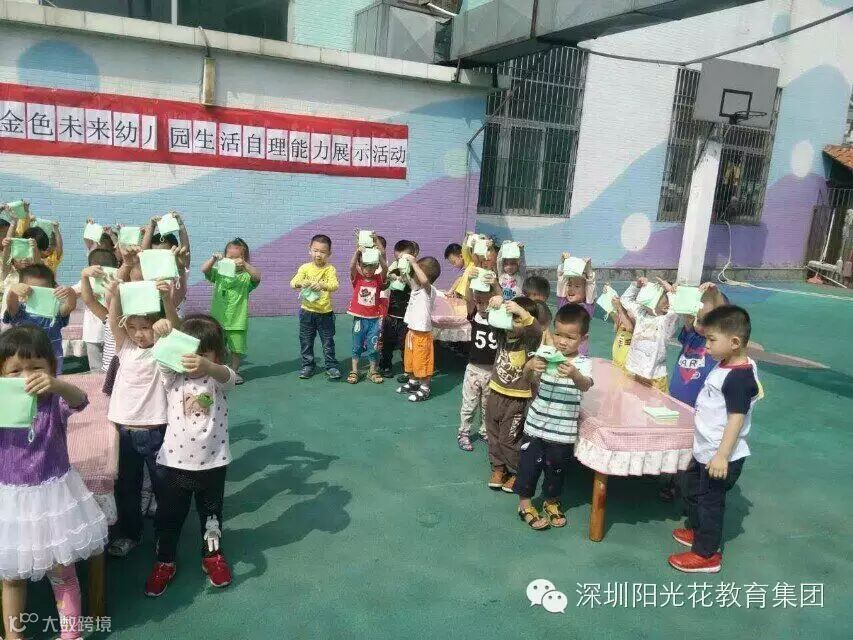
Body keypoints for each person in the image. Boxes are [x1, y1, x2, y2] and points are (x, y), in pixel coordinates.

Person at [0, 326, 108, 640]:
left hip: (54, 498)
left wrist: (57, 385)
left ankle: (70, 634)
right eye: (15, 370)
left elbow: (81, 400)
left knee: (62, 572)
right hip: (11, 502)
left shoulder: (54, 401)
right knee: (12, 577)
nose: (26, 377)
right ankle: (14, 636)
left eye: (36, 368)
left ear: (51, 367)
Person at [144, 315, 237, 596]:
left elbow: (229, 377)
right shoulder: (173, 378)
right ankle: (165, 560)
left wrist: (209, 366)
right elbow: (161, 359)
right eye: (188, 353)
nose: (194, 361)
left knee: (212, 516)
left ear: (216, 355)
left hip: (213, 463)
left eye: (203, 355)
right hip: (175, 464)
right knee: (169, 517)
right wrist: (162, 335)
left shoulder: (217, 380)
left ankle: (212, 556)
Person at [669, 305, 761, 573]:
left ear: (734, 342)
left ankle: (706, 554)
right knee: (692, 489)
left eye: (711, 340)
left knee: (710, 503)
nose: (706, 345)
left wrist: (722, 456)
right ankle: (698, 531)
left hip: (719, 455)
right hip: (705, 450)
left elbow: (736, 419)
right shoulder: (725, 364)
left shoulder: (739, 377)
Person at [105, 278, 178, 558]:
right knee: (127, 487)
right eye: (133, 327)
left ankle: (165, 536)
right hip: (124, 431)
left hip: (156, 430)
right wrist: (114, 295)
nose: (138, 334)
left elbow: (174, 329)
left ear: (156, 326)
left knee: (163, 486)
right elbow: (114, 321)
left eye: (145, 327)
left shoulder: (162, 349)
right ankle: (130, 534)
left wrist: (167, 302)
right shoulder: (125, 348)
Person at [515, 304, 594, 529]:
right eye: (558, 334)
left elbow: (586, 385)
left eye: (570, 337)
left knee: (556, 471)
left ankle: (551, 501)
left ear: (583, 339)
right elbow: (528, 378)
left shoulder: (583, 363)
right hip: (535, 426)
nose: (562, 341)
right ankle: (525, 504)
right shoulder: (546, 355)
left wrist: (574, 374)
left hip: (562, 433)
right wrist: (530, 366)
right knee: (529, 467)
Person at [484, 296, 544, 493]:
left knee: (508, 439)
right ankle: (499, 468)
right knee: (493, 434)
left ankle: (517, 471)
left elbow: (536, 330)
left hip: (516, 398)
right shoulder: (502, 336)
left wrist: (521, 312)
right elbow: (491, 319)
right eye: (510, 318)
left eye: (516, 320)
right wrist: (496, 303)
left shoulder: (528, 341)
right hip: (495, 393)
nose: (511, 324)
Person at [201, 238, 261, 385]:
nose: (233, 261)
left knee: (236, 349)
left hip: (237, 321)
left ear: (244, 258)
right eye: (230, 257)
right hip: (217, 320)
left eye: (237, 257)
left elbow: (257, 277)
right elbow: (205, 270)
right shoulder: (219, 274)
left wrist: (245, 265)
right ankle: (218, 370)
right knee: (217, 347)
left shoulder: (246, 277)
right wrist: (213, 259)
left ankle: (234, 372)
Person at [3, 264, 76, 374]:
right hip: (23, 364)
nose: (38, 296)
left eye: (43, 292)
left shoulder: (55, 312)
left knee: (49, 384)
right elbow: (11, 304)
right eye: (32, 291)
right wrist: (13, 291)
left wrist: (70, 292)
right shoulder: (20, 311)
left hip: (51, 364)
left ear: (53, 289)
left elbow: (70, 306)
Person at [457, 272, 501, 452]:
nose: (482, 305)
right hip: (474, 370)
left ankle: (484, 431)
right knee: (469, 404)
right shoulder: (474, 314)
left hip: (492, 371)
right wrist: (468, 279)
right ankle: (464, 432)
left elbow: (502, 301)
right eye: (479, 301)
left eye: (486, 302)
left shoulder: (498, 317)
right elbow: (468, 298)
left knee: (487, 406)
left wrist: (496, 285)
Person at [290, 234, 341, 380]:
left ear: (329, 253)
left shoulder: (330, 269)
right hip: (307, 312)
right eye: (315, 250)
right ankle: (308, 365)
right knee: (306, 340)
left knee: (328, 341)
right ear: (310, 250)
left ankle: (331, 366)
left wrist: (322, 285)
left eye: (323, 252)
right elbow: (293, 283)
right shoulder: (305, 268)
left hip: (325, 313)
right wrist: (301, 283)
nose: (318, 254)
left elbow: (335, 285)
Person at [619, 277, 679, 392]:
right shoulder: (641, 313)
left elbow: (675, 311)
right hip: (634, 370)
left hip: (655, 377)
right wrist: (636, 286)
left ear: (666, 306)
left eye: (657, 293)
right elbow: (625, 300)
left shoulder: (665, 322)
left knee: (656, 402)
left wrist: (671, 293)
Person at [396, 255, 441, 402]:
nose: (414, 273)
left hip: (422, 335)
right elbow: (407, 278)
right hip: (412, 332)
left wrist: (414, 263)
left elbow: (425, 281)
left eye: (418, 270)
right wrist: (404, 266)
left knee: (422, 362)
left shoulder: (429, 290)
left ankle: (425, 388)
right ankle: (413, 382)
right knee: (411, 361)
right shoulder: (416, 288)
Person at [346, 238, 387, 384]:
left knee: (373, 345)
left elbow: (385, 268)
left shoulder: (378, 280)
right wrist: (357, 252)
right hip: (359, 319)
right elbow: (351, 266)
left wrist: (378, 255)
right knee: (357, 345)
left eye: (371, 267)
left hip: (374, 319)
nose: (368, 270)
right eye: (365, 267)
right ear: (361, 266)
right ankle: (355, 370)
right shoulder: (357, 279)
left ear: (376, 267)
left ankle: (372, 370)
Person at [75, 248, 120, 372]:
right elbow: (89, 300)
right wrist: (84, 276)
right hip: (108, 375)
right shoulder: (109, 318)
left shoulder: (125, 320)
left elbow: (89, 301)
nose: (107, 292)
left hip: (124, 376)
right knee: (95, 369)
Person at [378, 240, 417, 379]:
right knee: (387, 342)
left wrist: (405, 278)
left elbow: (416, 287)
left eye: (404, 258)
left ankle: (407, 369)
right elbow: (384, 282)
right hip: (391, 314)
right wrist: (390, 276)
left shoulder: (415, 271)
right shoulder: (394, 268)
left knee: (405, 345)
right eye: (398, 258)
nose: (400, 261)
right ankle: (385, 365)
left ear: (412, 256)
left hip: (407, 316)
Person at [556, 253, 596, 354]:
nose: (571, 289)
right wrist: (564, 264)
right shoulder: (563, 303)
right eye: (569, 285)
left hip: (580, 353)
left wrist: (589, 270)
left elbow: (590, 286)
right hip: (561, 350)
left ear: (585, 291)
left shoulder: (587, 308)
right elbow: (561, 281)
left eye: (577, 286)